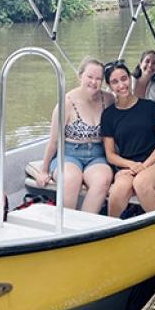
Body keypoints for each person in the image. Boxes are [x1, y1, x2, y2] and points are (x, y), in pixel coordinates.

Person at [36, 57, 114, 213]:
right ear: (80, 76)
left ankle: (84, 225)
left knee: (102, 180)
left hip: (97, 154)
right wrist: (43, 170)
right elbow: (53, 141)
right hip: (69, 154)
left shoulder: (109, 99)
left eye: (98, 78)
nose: (94, 82)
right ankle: (65, 227)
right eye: (90, 77)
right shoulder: (66, 103)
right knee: (71, 180)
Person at [101, 60, 155, 218]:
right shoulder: (109, 115)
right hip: (128, 167)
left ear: (130, 78)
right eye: (115, 82)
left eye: (124, 78)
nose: (121, 85)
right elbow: (110, 155)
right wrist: (132, 165)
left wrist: (144, 166)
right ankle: (111, 231)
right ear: (109, 85)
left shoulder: (150, 107)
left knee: (141, 183)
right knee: (119, 189)